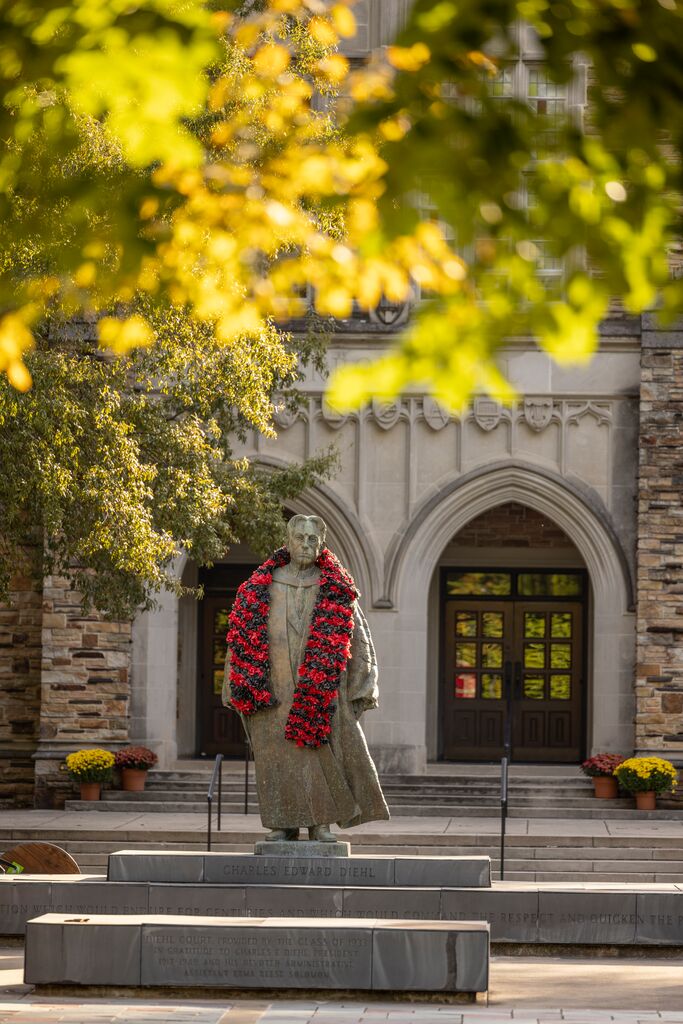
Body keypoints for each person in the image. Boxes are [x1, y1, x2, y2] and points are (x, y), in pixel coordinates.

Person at [223, 514, 389, 842]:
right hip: (274, 688)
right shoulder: (261, 588)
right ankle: (282, 825)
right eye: (299, 537)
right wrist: (235, 681)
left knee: (319, 755)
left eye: (313, 539)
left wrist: (363, 684)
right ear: (287, 541)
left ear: (321, 544)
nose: (305, 544)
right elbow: (241, 636)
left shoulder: (336, 589)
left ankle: (320, 825)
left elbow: (358, 639)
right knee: (278, 759)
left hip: (321, 689)